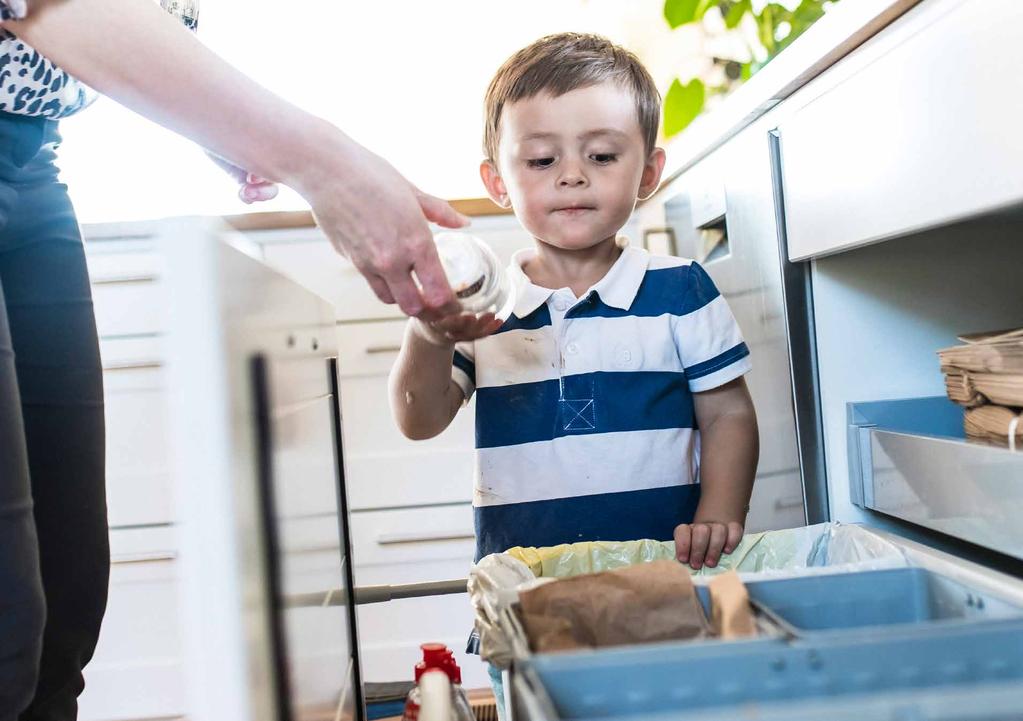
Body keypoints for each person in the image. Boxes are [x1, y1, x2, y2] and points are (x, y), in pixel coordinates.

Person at [0, 1, 466, 719]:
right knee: (6, 623)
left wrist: (216, 127)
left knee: (64, 608)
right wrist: (320, 162)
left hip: (32, 162)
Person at [388, 32, 759, 715]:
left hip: (667, 576)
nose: (571, 175)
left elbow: (728, 413)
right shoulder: (483, 306)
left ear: (646, 172)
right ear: (497, 182)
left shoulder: (680, 289)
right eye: (540, 159)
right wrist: (427, 329)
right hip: (530, 590)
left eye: (600, 155)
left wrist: (719, 514)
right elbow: (419, 416)